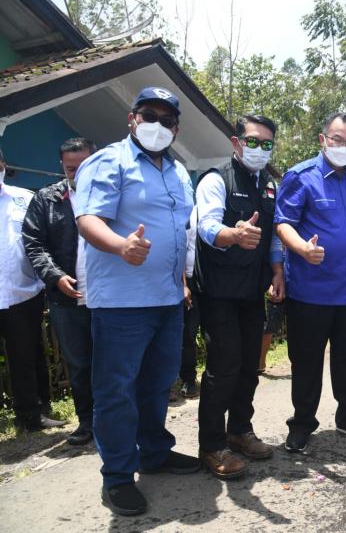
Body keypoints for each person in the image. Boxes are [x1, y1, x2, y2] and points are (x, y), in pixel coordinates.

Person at [73, 87, 199, 516]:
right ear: (132, 119)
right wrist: (120, 246)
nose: (158, 126)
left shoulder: (179, 172)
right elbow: (88, 218)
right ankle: (118, 476)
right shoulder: (109, 161)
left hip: (167, 298)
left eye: (167, 121)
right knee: (116, 390)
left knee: (157, 382)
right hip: (122, 303)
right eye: (150, 116)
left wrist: (180, 279)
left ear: (176, 128)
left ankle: (155, 453)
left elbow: (178, 231)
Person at [193, 114, 284, 479]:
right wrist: (232, 235)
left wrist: (277, 271)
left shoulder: (270, 185)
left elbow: (275, 234)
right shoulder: (216, 180)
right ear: (235, 142)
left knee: (250, 364)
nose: (259, 149)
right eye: (253, 141)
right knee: (223, 366)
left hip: (252, 289)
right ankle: (212, 445)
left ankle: (239, 430)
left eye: (266, 143)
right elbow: (205, 223)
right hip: (218, 290)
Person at [276, 112, 346, 452]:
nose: (343, 147)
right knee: (307, 362)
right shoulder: (301, 176)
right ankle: (302, 424)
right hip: (310, 292)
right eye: (337, 140)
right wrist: (301, 248)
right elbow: (283, 222)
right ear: (323, 139)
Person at [22, 138, 97, 444]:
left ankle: (119, 422)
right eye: (70, 168)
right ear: (61, 166)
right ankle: (88, 423)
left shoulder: (110, 193)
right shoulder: (46, 199)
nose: (77, 173)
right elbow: (33, 243)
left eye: (83, 166)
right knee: (79, 363)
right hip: (67, 297)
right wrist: (55, 276)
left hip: (109, 295)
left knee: (114, 363)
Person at [0, 148, 65, 432]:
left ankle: (35, 411)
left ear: (2, 165)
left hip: (22, 291)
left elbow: (40, 241)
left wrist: (44, 281)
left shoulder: (23, 199)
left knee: (27, 353)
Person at [177, 208, 199, 400]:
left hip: (211, 280)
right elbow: (181, 249)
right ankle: (188, 379)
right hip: (190, 280)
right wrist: (184, 285)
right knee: (188, 334)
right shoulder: (190, 214)